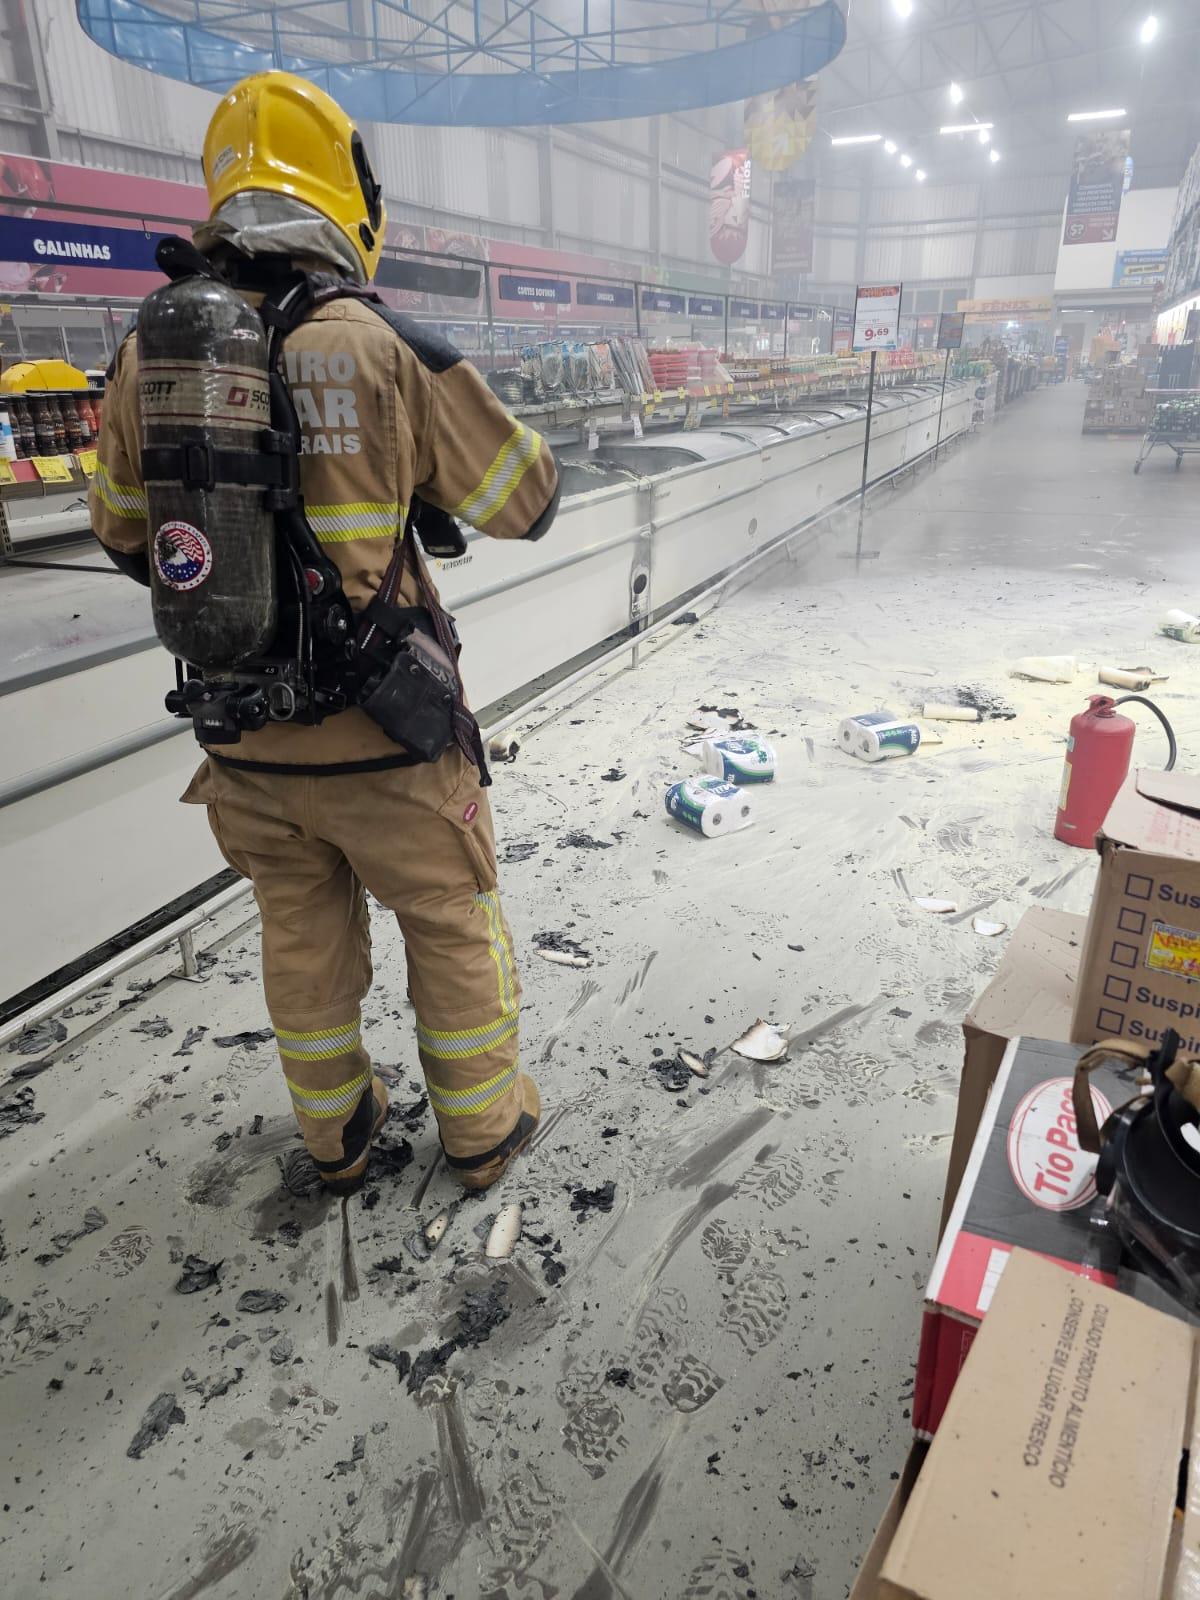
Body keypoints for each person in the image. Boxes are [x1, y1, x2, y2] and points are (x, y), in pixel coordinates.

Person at [90, 71, 559, 1195]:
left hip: (240, 737)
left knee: (300, 936)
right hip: (389, 738)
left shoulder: (150, 354)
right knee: (448, 917)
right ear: (347, 202)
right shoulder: (382, 342)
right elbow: (528, 500)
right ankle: (484, 1128)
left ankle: (336, 1138)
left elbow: (120, 532)